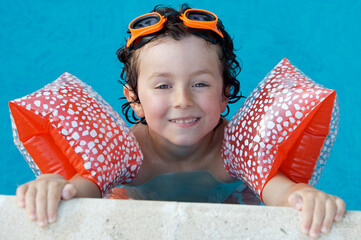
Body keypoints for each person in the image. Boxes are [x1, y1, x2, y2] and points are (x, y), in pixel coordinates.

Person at [16, 4, 345, 238]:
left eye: (200, 83)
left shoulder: (236, 150)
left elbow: (280, 193)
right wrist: (59, 187)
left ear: (225, 94)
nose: (182, 100)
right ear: (135, 100)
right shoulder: (123, 152)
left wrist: (303, 195)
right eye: (162, 86)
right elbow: (81, 190)